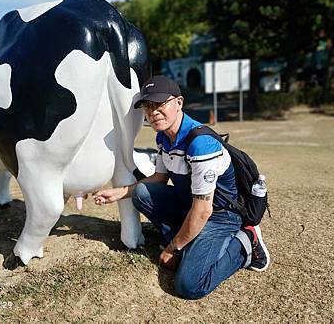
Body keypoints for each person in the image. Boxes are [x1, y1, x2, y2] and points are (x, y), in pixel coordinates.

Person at [93, 75, 270, 299]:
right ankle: (188, 241)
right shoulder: (163, 138)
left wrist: (172, 248)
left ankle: (245, 243)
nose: (152, 111)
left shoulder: (201, 145)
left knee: (189, 285)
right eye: (148, 106)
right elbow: (158, 178)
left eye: (159, 104)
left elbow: (203, 210)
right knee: (141, 193)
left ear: (179, 102)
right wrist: (119, 193)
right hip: (190, 205)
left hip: (220, 215)